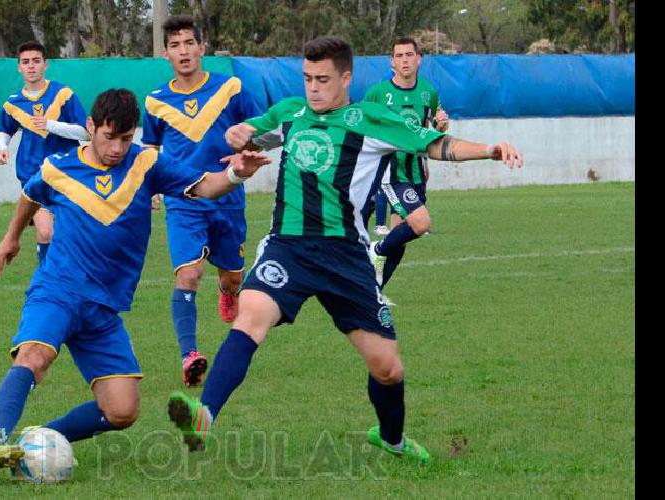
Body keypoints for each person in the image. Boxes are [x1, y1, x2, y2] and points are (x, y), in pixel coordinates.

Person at [165, 37, 522, 464]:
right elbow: (250, 136)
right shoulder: (291, 114)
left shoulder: (370, 119)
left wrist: (489, 150)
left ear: (346, 77)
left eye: (322, 80)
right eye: (307, 79)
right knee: (250, 318)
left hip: (346, 256)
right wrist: (238, 134)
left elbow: (432, 144)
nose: (313, 88)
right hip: (289, 248)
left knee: (388, 368)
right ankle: (204, 417)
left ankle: (392, 440)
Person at [0, 89, 271, 478]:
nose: (117, 148)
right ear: (91, 128)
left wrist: (237, 173)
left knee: (122, 411)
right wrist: (11, 237)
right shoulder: (58, 167)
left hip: (103, 310)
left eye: (126, 138)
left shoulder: (147, 163)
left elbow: (204, 186)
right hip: (58, 291)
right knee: (34, 357)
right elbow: (30, 194)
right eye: (109, 137)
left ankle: (42, 436)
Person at [141, 15, 264, 388]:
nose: (183, 51)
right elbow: (149, 148)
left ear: (201, 48)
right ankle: (189, 354)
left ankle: (227, 292)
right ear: (166, 54)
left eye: (189, 43)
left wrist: (248, 147)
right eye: (175, 45)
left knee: (232, 277)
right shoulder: (156, 102)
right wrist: (152, 186)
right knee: (189, 274)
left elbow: (263, 126)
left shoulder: (230, 88)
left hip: (227, 196)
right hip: (183, 199)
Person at [365, 37, 450, 288]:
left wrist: (441, 125)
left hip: (416, 172)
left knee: (401, 236)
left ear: (419, 59)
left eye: (409, 55)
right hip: (391, 171)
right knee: (420, 224)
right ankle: (377, 248)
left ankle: (374, 292)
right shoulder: (377, 93)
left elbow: (433, 127)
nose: (404, 60)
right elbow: (360, 126)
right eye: (399, 56)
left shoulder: (428, 91)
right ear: (392, 62)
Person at [0, 40, 88, 265]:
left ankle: (68, 278)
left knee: (69, 236)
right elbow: (5, 130)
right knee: (46, 232)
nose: (31, 66)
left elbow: (85, 133)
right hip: (33, 175)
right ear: (19, 67)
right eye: (25, 62)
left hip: (67, 174)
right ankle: (47, 281)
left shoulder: (63, 94)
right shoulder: (13, 103)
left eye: (36, 61)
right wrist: (2, 147)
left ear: (45, 64)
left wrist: (50, 125)